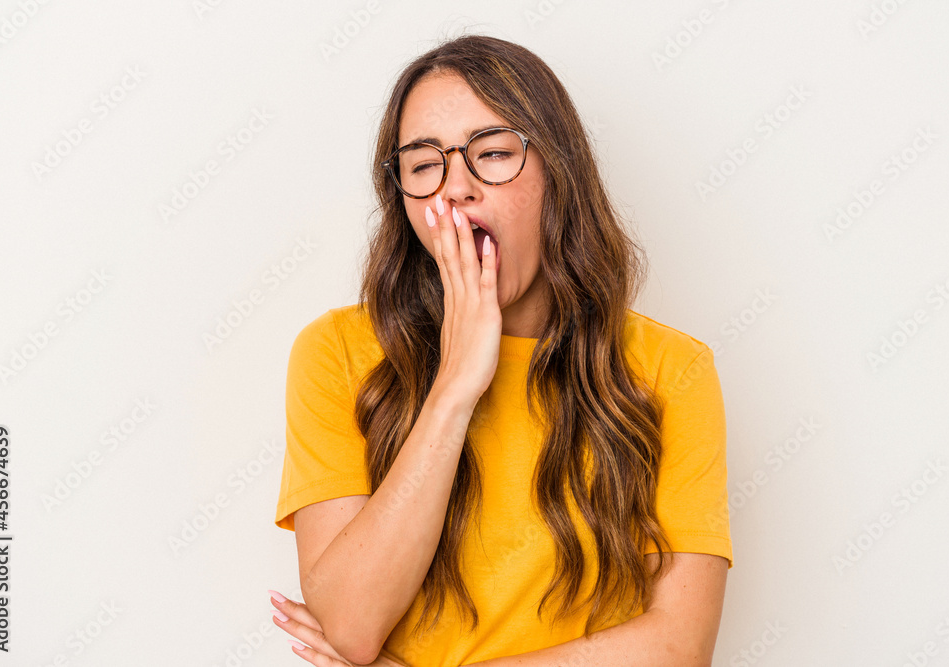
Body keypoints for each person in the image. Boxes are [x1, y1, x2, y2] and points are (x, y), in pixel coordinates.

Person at [269, 33, 733, 666]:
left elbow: (678, 647)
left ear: (558, 174)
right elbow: (347, 626)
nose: (454, 189)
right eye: (424, 165)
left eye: (490, 153)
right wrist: (455, 386)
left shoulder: (670, 370)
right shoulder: (336, 352)